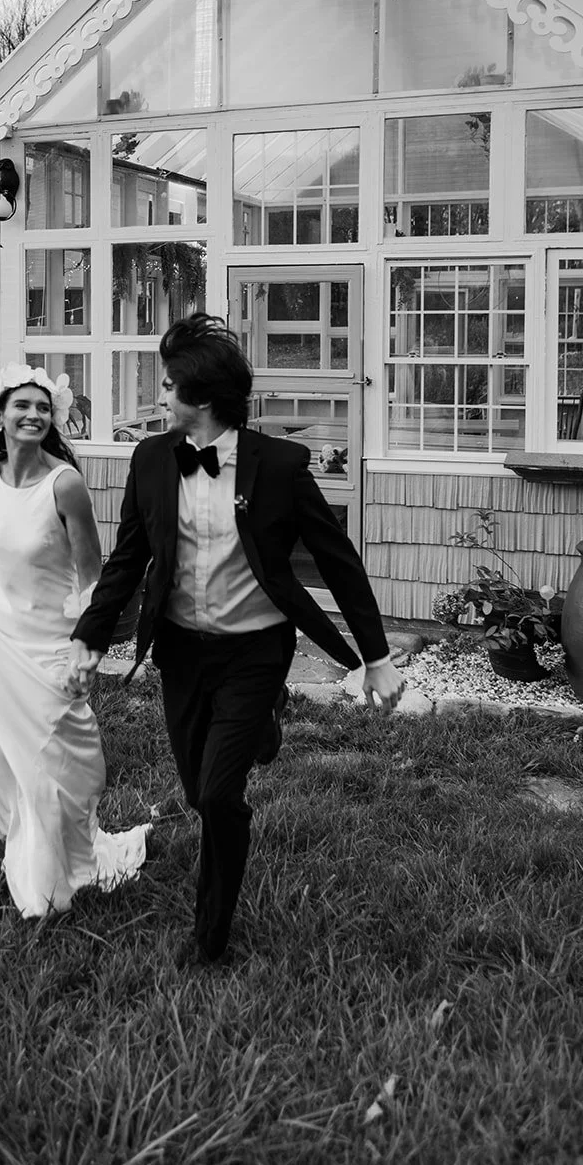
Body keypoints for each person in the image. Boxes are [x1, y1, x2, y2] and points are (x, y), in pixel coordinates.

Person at [67, 315, 403, 965]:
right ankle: (259, 731)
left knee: (220, 797)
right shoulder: (151, 460)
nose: (160, 396)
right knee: (198, 792)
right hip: (181, 652)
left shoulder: (278, 466)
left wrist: (377, 657)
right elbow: (127, 559)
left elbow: (337, 561)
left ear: (203, 398)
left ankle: (209, 937)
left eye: (169, 386)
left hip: (254, 651)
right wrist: (89, 638)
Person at [0, 363, 149, 919]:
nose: (33, 415)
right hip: (1, 642)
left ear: (53, 417)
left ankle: (55, 881)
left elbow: (91, 578)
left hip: (53, 646)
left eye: (42, 407)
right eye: (21, 406)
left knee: (51, 772)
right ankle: (29, 840)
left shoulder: (65, 485)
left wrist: (86, 651)